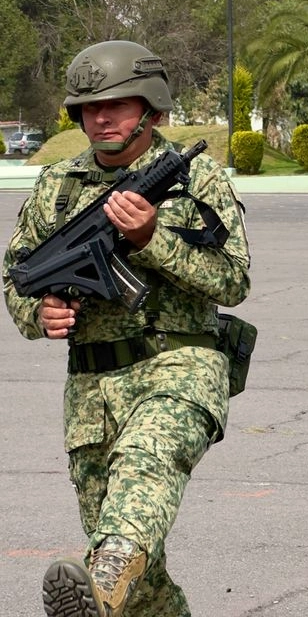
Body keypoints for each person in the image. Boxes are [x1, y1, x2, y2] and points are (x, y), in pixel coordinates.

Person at [3, 40, 251, 617]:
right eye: (89, 108)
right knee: (138, 575)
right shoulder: (57, 185)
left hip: (180, 368)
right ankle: (117, 583)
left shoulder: (196, 178)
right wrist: (39, 314)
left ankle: (109, 570)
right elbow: (17, 278)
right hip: (91, 392)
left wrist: (152, 239)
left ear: (151, 109)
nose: (101, 118)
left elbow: (233, 281)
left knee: (144, 472)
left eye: (115, 104)